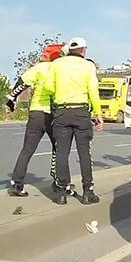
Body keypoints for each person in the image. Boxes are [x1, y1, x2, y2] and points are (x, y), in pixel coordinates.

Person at [44, 37, 104, 205]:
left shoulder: (57, 64)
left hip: (62, 112)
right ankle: (88, 192)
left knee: (62, 152)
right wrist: (98, 113)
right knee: (84, 152)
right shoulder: (88, 66)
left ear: (69, 50)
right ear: (84, 50)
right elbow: (93, 90)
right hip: (81, 112)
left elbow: (48, 87)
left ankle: (62, 193)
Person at [6, 44, 64, 197]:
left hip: (36, 113)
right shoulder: (58, 69)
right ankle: (58, 181)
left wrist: (12, 98)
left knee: (27, 149)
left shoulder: (38, 68)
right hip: (52, 114)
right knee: (58, 149)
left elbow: (22, 83)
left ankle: (16, 184)